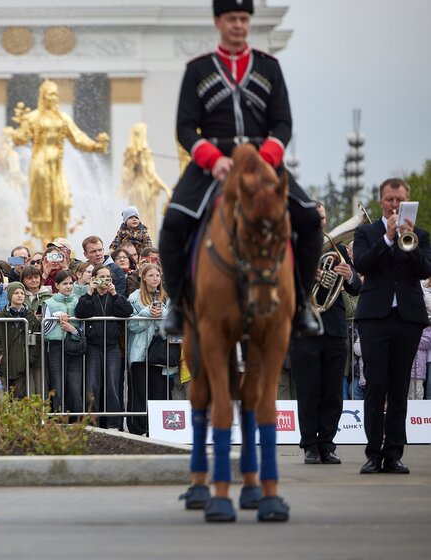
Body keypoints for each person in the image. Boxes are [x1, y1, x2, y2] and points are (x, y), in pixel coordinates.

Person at [158, 0, 322, 338]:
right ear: (218, 21)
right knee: (173, 223)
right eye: (232, 18)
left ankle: (303, 304)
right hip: (212, 164)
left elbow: (283, 122)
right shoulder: (198, 69)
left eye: (244, 18)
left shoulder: (269, 67)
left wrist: (267, 157)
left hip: (262, 161)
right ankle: (177, 305)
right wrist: (212, 159)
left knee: (307, 218)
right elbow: (186, 127)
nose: (238, 25)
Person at [354, 178, 431, 474]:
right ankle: (373, 453)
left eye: (399, 200)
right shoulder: (366, 232)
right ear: (380, 200)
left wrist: (407, 242)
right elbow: (362, 264)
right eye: (389, 199)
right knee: (376, 385)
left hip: (408, 320)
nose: (395, 205)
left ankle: (394, 454)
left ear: (408, 201)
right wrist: (387, 238)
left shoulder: (420, 235)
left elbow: (425, 269)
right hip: (374, 318)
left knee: (399, 388)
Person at [290, 202, 362, 465]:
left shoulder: (339, 249)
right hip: (304, 329)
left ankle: (327, 445)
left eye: (321, 217)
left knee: (332, 392)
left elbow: (355, 288)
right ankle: (309, 444)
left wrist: (349, 274)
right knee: (308, 391)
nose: (319, 222)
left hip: (333, 329)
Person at [4, 80, 109, 246]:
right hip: (40, 165)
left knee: (61, 200)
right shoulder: (33, 117)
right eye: (51, 94)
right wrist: (18, 130)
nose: (55, 98)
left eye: (56, 94)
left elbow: (78, 138)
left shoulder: (63, 118)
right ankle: (44, 240)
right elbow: (21, 138)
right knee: (42, 202)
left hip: (57, 167)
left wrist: (96, 146)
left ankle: (59, 237)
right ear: (44, 97)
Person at [74, 265, 133, 428]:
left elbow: (127, 311)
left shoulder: (116, 296)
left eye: (108, 277)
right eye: (102, 277)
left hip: (112, 346)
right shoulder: (88, 296)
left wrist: (114, 294)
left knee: (113, 386)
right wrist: (90, 291)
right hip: (93, 346)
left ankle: (114, 423)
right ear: (94, 278)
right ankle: (93, 423)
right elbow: (80, 312)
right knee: (92, 385)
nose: (106, 280)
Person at [126, 264, 178, 435]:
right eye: (151, 275)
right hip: (140, 350)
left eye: (158, 275)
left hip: (161, 351)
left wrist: (162, 315)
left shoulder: (168, 298)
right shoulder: (134, 298)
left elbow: (173, 324)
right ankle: (139, 427)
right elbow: (131, 325)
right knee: (140, 390)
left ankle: (158, 427)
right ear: (143, 278)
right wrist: (147, 313)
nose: (155, 278)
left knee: (159, 389)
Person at [0, 282, 41, 398]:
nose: (20, 295)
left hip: (23, 366)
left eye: (22, 293)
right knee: (5, 398)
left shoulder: (31, 317)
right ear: (10, 295)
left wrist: (30, 358)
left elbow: (36, 339)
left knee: (20, 397)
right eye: (16, 293)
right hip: (4, 364)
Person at [118, 123, 172, 237]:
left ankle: (136, 239)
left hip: (136, 191)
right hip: (144, 191)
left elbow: (126, 176)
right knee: (145, 219)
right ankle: (146, 241)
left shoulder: (131, 154)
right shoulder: (144, 152)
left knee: (135, 218)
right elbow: (152, 174)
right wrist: (166, 188)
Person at [43, 270, 84, 413]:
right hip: (55, 346)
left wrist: (72, 329)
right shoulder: (48, 303)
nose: (68, 286)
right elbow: (44, 330)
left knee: (75, 384)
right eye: (64, 283)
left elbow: (83, 327)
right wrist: (55, 317)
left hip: (74, 345)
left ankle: (77, 418)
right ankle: (59, 417)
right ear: (56, 285)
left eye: (70, 283)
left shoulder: (79, 301)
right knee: (57, 384)